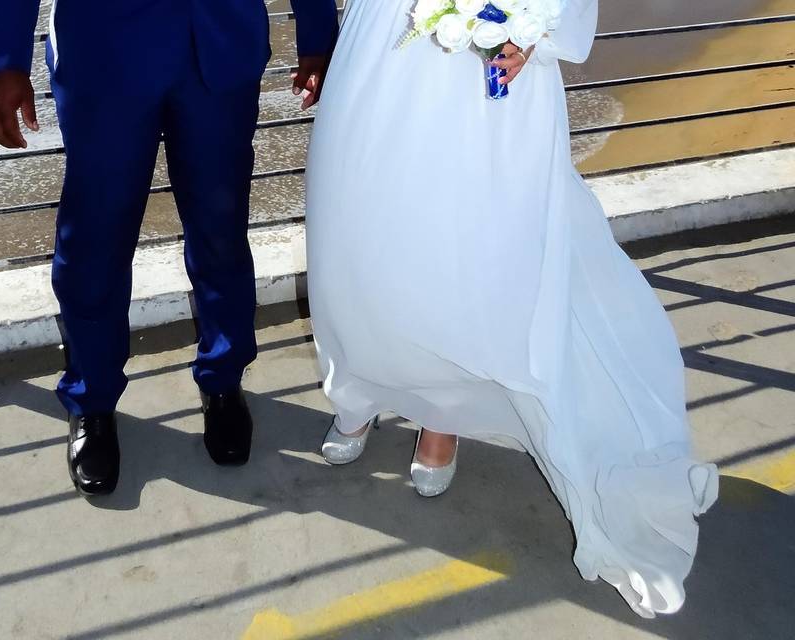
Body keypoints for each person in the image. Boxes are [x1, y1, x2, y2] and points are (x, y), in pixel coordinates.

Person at [306, 0, 718, 618]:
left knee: (459, 248)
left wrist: (533, 29)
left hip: (485, 78)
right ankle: (357, 388)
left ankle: (440, 412)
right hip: (382, 43)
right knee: (355, 232)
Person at [0, 0, 337, 495]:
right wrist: (0, 62)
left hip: (221, 44)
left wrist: (317, 31)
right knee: (94, 239)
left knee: (221, 231)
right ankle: (92, 401)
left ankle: (223, 380)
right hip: (103, 50)